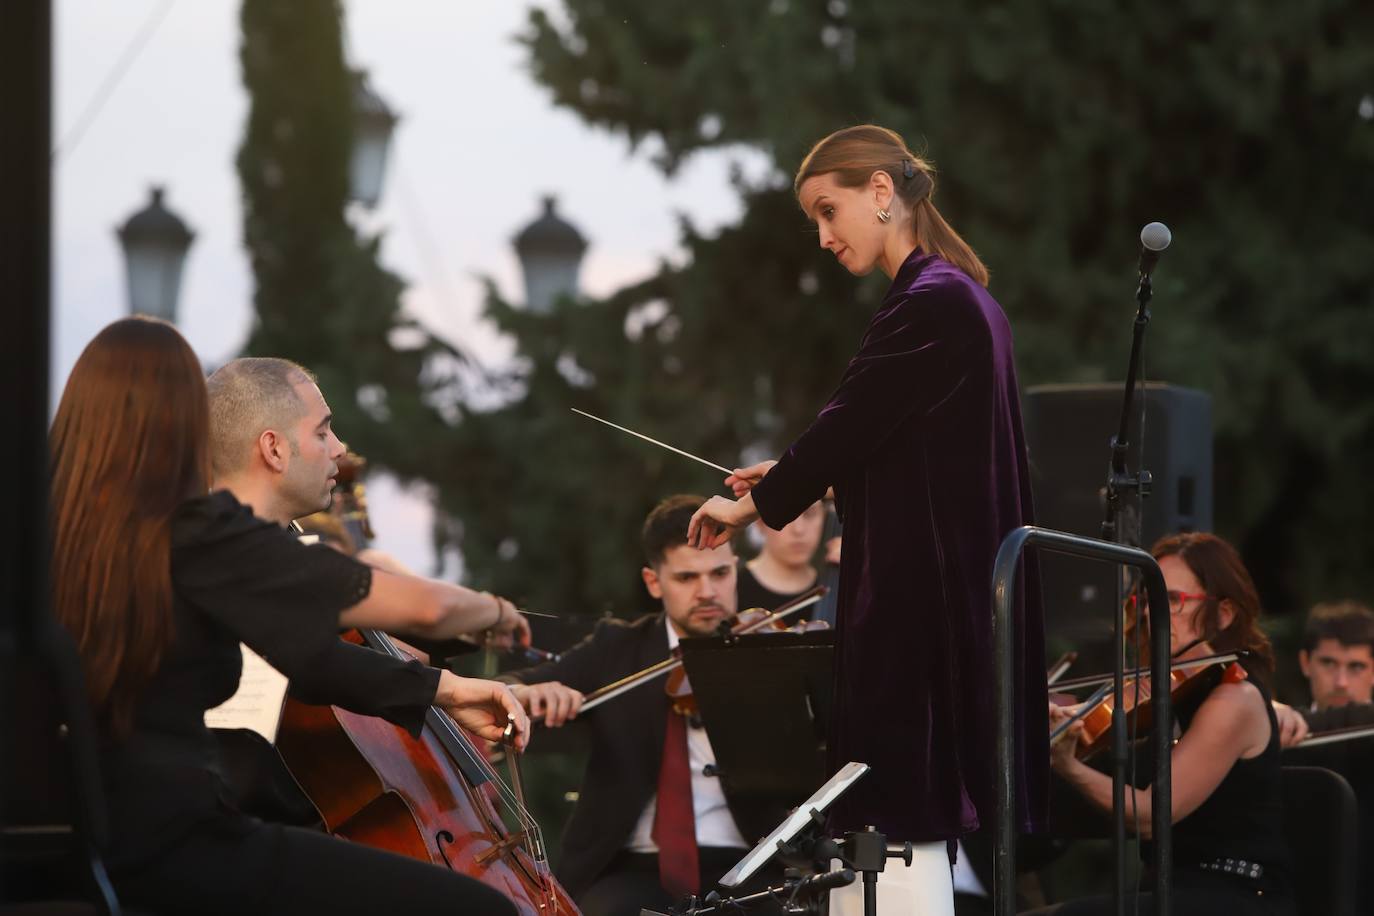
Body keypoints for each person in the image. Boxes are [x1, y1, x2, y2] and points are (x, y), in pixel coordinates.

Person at [49, 317, 529, 915]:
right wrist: (496, 611)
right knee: (483, 910)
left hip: (71, 842)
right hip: (177, 843)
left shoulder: (44, 531)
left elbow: (307, 659)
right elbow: (425, 607)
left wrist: (442, 688)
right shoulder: (194, 531)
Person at [686, 124, 1048, 915]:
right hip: (936, 592)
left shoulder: (934, 300)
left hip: (918, 607)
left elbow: (850, 423)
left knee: (892, 817)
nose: (821, 237)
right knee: (890, 823)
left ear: (880, 193)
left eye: (828, 210)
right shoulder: (957, 297)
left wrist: (749, 500)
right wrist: (795, 479)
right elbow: (893, 439)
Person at [498, 495, 784, 916]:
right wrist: (522, 694)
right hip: (630, 867)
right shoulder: (617, 647)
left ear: (736, 570)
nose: (708, 592)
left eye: (720, 573)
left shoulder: (769, 649)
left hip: (750, 861)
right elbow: (507, 688)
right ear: (654, 582)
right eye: (687, 578)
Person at [1033, 532, 1294, 915]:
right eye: (1149, 599)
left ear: (1223, 614)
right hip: (1171, 890)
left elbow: (1151, 815)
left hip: (1236, 895)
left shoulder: (1234, 698)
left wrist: (1068, 766)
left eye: (1173, 600)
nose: (1153, 613)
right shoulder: (1167, 694)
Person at [735, 499, 825, 614]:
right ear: (760, 521)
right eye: (785, 515)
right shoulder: (734, 589)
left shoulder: (836, 589)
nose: (799, 530)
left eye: (810, 514)